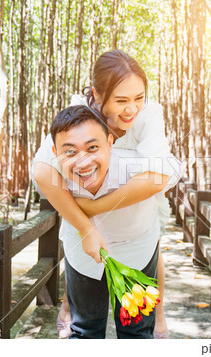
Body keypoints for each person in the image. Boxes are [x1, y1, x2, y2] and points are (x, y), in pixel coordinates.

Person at [33, 50, 175, 338]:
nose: (131, 110)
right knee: (85, 329)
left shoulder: (150, 114)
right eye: (121, 100)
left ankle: (158, 315)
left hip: (136, 234)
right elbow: (43, 171)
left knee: (137, 331)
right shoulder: (78, 112)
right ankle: (67, 306)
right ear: (97, 95)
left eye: (139, 97)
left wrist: (95, 207)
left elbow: (159, 177)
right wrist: (86, 228)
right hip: (84, 240)